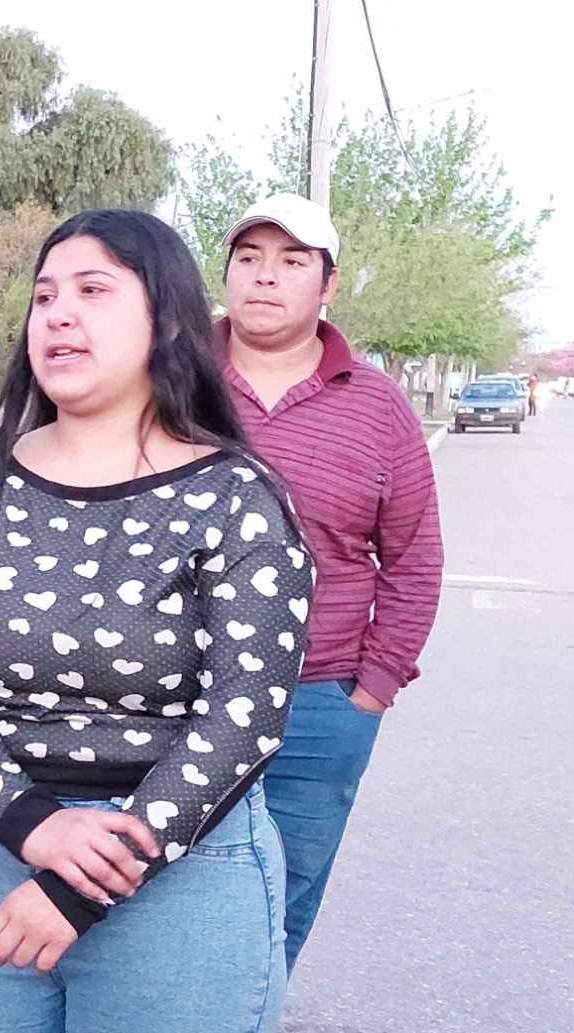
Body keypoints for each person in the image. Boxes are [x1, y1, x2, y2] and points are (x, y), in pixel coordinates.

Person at [0, 209, 313, 1032]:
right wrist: (30, 823)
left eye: (92, 291)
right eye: (44, 296)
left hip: (182, 869)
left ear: (170, 320)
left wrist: (80, 885)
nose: (59, 314)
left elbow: (244, 718)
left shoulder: (237, 498)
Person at [215, 193, 443, 973]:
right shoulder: (170, 379)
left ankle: (250, 1013)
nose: (265, 276)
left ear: (328, 284)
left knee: (282, 896)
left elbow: (414, 555)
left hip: (319, 703)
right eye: (249, 258)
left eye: (291, 261)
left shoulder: (378, 406)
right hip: (172, 695)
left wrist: (371, 689)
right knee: (159, 893)